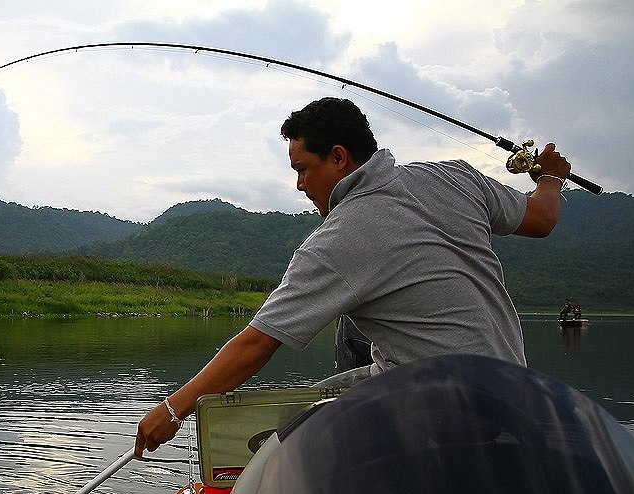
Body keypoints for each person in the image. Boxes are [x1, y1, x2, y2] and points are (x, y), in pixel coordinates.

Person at [135, 97, 571, 458]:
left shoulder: (337, 241)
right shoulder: (455, 177)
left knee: (289, 441)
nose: (300, 185)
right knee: (326, 387)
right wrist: (549, 177)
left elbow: (257, 344)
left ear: (339, 158)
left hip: (445, 419)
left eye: (302, 169)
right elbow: (541, 216)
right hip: (515, 394)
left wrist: (173, 411)